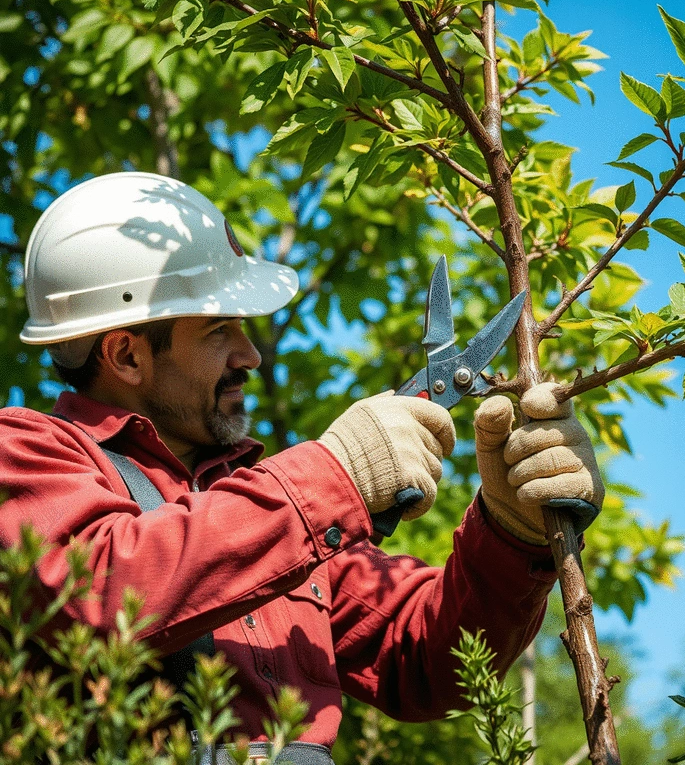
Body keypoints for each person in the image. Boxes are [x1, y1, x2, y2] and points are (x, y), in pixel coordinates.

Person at [0, 172, 604, 764]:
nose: (251, 355)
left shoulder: (259, 513)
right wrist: (336, 475)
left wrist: (509, 533)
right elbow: (103, 593)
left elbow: (429, 662)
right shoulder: (23, 452)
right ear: (127, 355)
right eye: (219, 330)